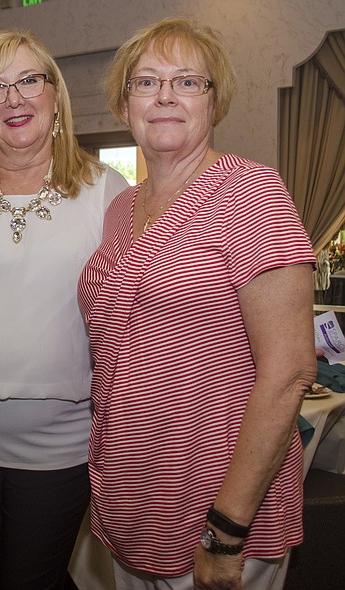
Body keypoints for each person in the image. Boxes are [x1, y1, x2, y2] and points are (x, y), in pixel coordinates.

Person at [77, 16, 316, 590]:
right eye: (146, 82)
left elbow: (288, 373)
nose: (164, 95)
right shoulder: (120, 208)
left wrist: (226, 531)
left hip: (217, 515)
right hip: (133, 507)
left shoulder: (249, 193)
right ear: (123, 101)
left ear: (215, 101)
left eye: (187, 81)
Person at [0, 29, 129, 590]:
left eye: (28, 80)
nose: (13, 98)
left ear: (54, 94)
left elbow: (138, 313)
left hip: (59, 446)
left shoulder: (106, 191)